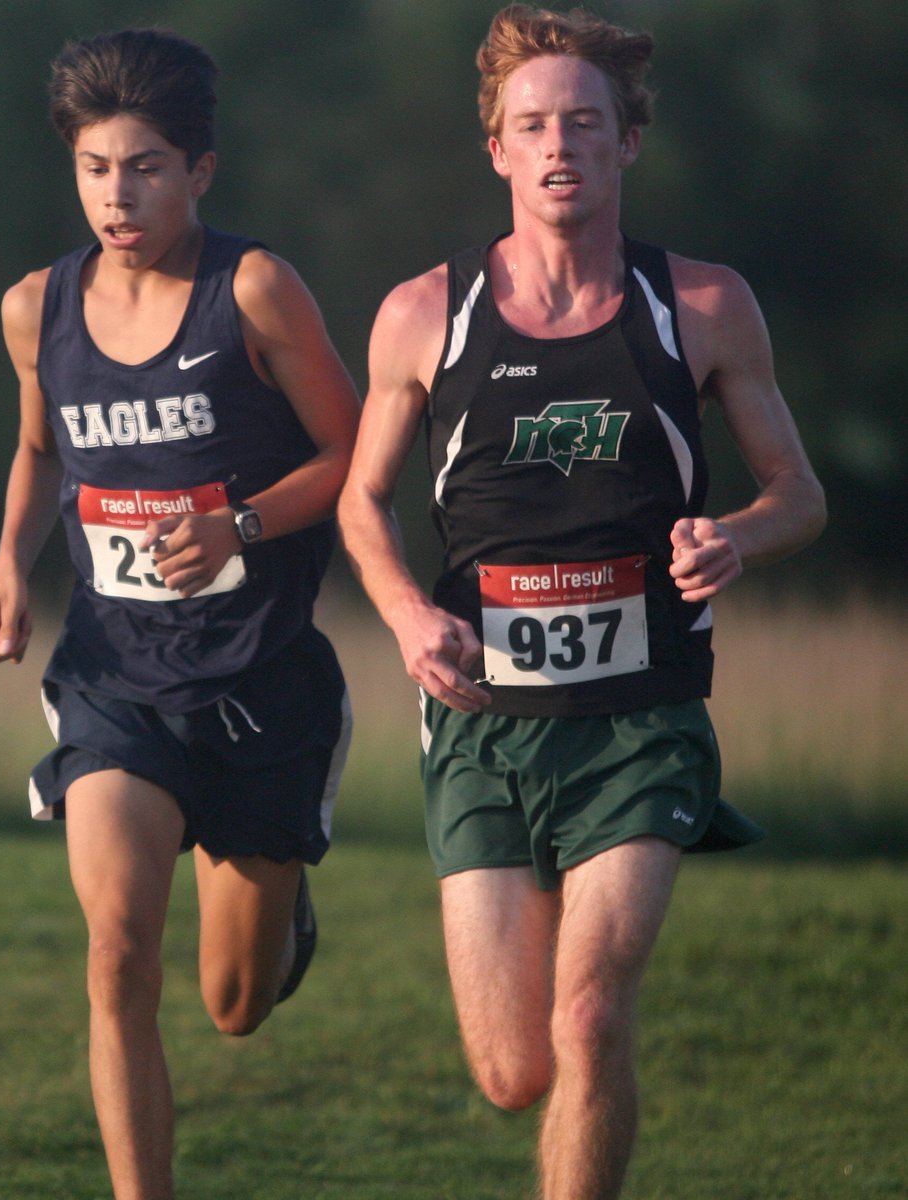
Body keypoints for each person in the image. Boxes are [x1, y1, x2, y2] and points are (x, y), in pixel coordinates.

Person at [338, 5, 825, 1198]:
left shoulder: (703, 307)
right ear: (496, 149)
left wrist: (738, 540)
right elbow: (362, 503)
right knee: (513, 1070)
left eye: (585, 124)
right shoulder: (421, 316)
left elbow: (797, 493)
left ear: (627, 144)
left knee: (593, 1017)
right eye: (533, 124)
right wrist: (405, 613)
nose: (559, 145)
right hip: (479, 720)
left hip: (638, 718)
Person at [0, 28, 358, 1200]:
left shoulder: (254, 289)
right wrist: (7, 563)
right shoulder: (37, 308)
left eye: (143, 167)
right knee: (114, 951)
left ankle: (280, 923)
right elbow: (42, 450)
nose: (116, 195)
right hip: (115, 680)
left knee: (233, 1007)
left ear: (200, 169)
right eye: (95, 168)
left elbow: (353, 453)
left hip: (258, 683)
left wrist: (239, 524)